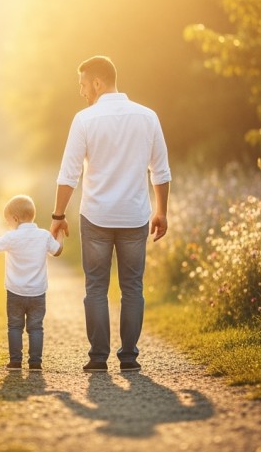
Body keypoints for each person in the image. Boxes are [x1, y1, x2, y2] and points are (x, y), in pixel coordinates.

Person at [50, 55, 171, 373]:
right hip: (134, 216)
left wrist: (58, 215)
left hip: (97, 216)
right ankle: (129, 358)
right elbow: (160, 171)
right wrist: (162, 212)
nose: (81, 92)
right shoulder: (148, 117)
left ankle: (98, 357)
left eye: (82, 85)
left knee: (96, 288)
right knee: (133, 287)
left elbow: (68, 174)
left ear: (97, 83)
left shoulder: (85, 119)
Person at [0, 195, 64, 372]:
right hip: (38, 292)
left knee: (14, 326)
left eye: (8, 221)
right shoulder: (44, 236)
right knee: (36, 327)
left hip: (15, 292)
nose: (8, 225)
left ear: (15, 218)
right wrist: (60, 234)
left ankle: (15, 362)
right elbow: (58, 251)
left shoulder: (12, 237)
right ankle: (35, 362)